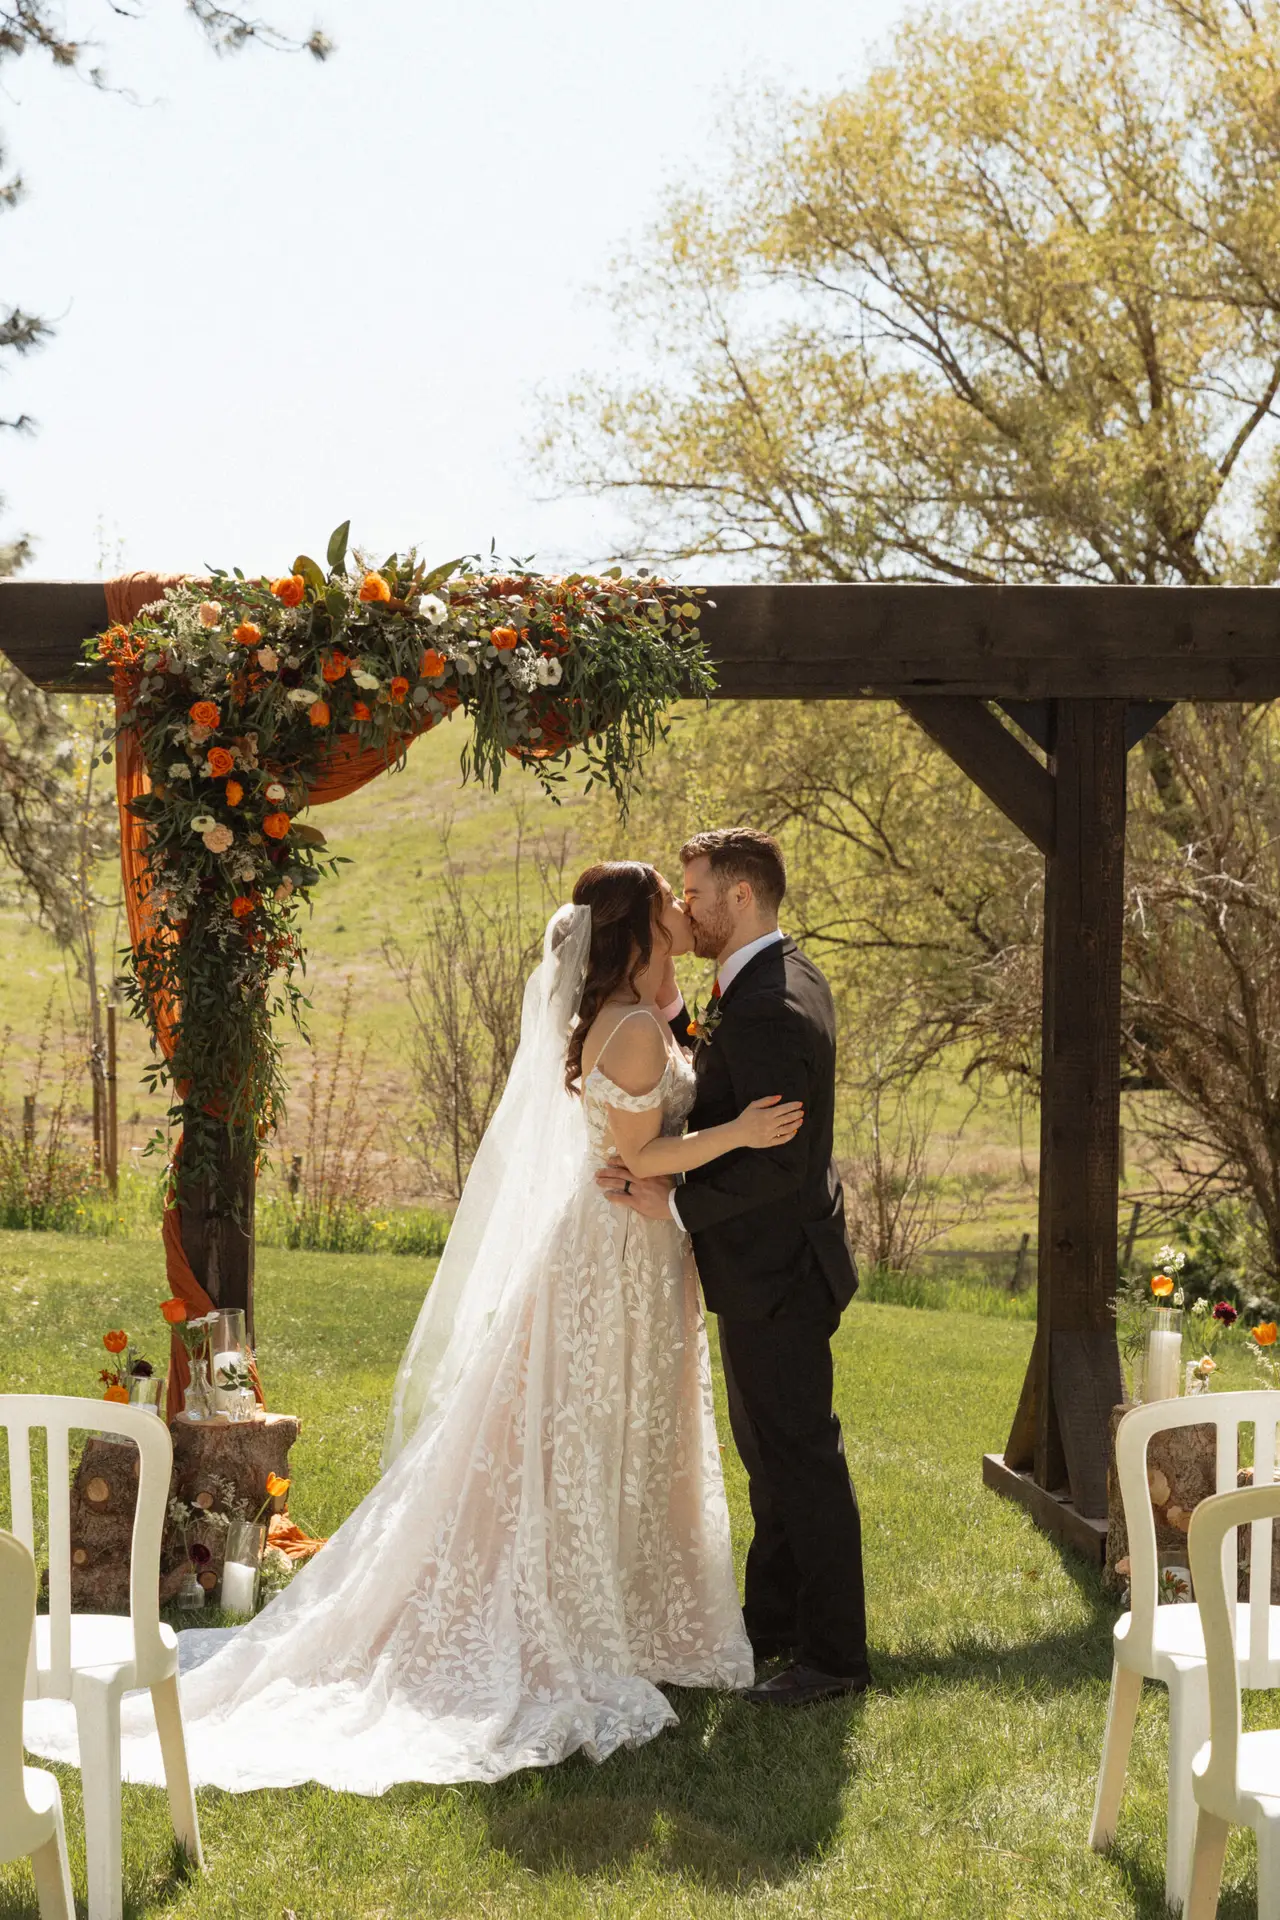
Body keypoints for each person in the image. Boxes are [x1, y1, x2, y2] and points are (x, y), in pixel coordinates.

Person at [24, 862, 801, 1792]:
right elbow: (640, 1150)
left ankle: (630, 1609)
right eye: (669, 904)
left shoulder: (641, 1017)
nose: (684, 910)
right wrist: (737, 1137)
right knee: (588, 1428)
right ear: (634, 931)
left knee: (612, 1431)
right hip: (614, 1258)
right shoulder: (630, 1029)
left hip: (632, 1246)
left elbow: (641, 1133)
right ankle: (575, 1610)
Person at [599, 828, 870, 1706]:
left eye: (696, 892)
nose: (686, 907)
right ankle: (777, 1624)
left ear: (741, 896)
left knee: (802, 1462)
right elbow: (723, 1078)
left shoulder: (770, 1004)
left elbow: (777, 1162)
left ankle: (832, 1660)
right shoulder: (768, 979)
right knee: (774, 1457)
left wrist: (671, 1204)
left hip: (780, 1271)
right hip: (772, 1268)